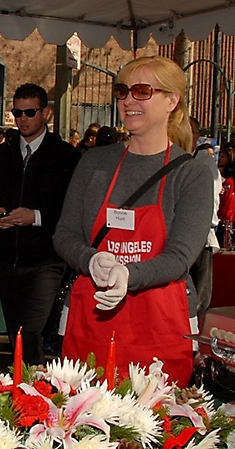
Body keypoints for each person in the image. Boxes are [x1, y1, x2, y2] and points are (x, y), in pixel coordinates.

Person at [53, 56, 213, 388]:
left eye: (142, 91)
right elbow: (65, 234)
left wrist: (129, 273)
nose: (128, 100)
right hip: (91, 318)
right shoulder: (94, 163)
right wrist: (91, 258)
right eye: (123, 90)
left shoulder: (190, 172)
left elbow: (182, 256)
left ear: (171, 101)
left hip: (160, 326)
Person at [0, 83, 81, 366]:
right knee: (17, 333)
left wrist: (36, 216)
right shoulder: (3, 154)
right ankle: (26, 388)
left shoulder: (66, 156)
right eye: (17, 112)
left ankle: (33, 389)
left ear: (46, 113)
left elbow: (72, 210)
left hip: (47, 259)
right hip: (6, 257)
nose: (22, 118)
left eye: (30, 112)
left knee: (30, 331)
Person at [189, 120, 221, 323]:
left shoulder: (204, 162)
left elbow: (211, 196)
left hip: (201, 237)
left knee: (200, 295)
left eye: (192, 131)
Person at [217, 145, 235, 249]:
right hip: (222, 214)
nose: (220, 159)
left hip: (229, 216)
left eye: (223, 156)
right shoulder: (220, 174)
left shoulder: (231, 177)